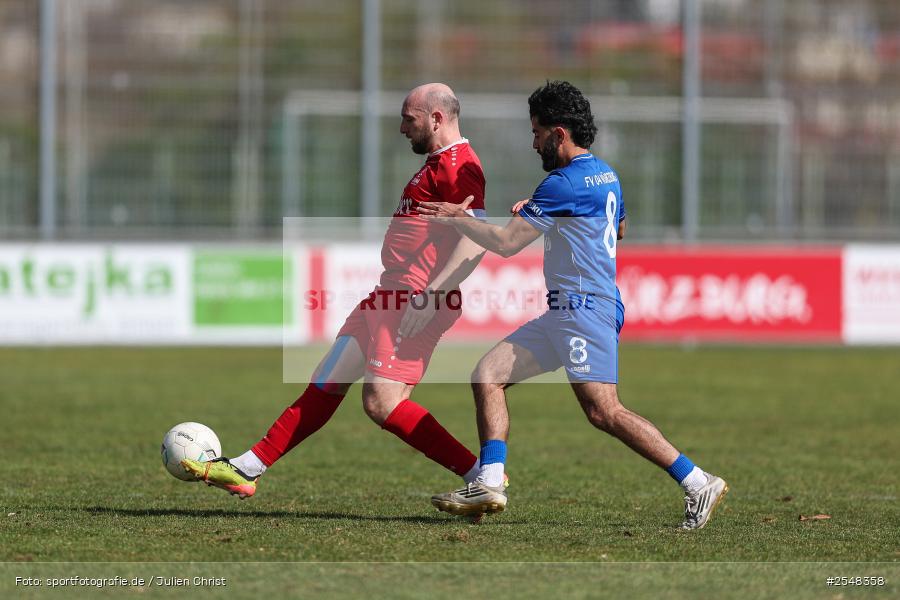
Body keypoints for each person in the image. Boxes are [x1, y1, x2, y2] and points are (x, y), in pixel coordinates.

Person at [419, 80, 728, 530]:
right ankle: (489, 481)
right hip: (568, 310)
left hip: (584, 310)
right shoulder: (606, 174)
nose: (534, 142)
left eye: (538, 132)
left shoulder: (561, 184)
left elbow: (506, 243)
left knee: (605, 411)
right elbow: (616, 230)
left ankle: (698, 481)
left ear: (559, 133)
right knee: (488, 375)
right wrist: (552, 216)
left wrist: (459, 219)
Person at [181, 83, 496, 498]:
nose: (402, 128)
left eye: (409, 119)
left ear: (437, 119)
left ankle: (481, 476)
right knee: (326, 381)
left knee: (382, 402)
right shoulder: (437, 163)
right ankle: (247, 468)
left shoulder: (459, 165)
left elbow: (476, 239)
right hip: (388, 296)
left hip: (414, 299)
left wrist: (432, 295)